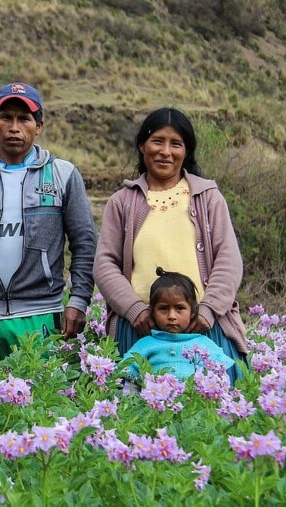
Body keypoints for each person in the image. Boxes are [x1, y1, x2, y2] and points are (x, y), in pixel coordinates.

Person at [94, 107, 246, 382]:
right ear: (142, 146)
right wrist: (135, 309)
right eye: (157, 141)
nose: (165, 151)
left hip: (204, 328)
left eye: (175, 144)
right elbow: (105, 264)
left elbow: (229, 260)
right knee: (140, 414)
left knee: (212, 413)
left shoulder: (208, 198)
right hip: (141, 328)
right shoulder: (122, 202)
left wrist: (209, 310)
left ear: (186, 151)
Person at [0, 82, 97, 359]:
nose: (14, 127)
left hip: (40, 313)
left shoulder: (63, 174)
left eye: (24, 119)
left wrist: (78, 300)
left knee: (41, 397)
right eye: (6, 118)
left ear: (38, 126)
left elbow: (85, 243)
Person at [124, 267, 235, 380]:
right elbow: (127, 376)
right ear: (152, 313)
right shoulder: (145, 344)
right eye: (163, 308)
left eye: (180, 308)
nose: (172, 316)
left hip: (195, 398)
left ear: (193, 311)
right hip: (156, 397)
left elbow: (221, 378)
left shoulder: (205, 345)